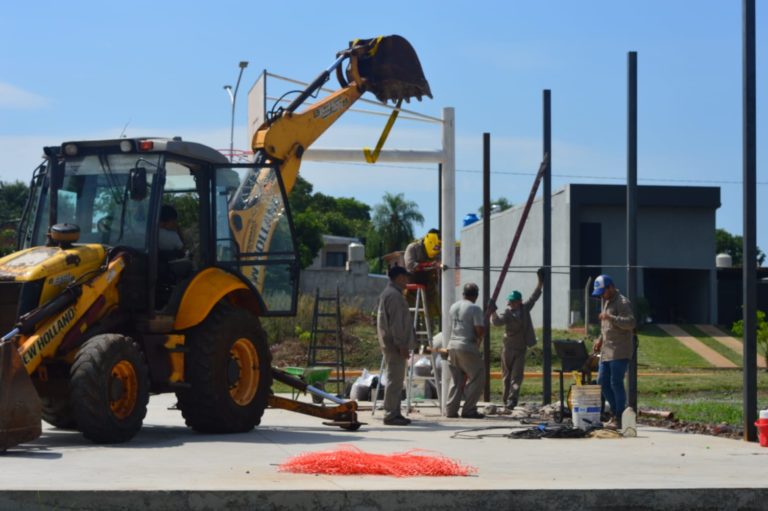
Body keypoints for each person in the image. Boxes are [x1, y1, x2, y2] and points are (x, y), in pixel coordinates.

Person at [489, 268, 544, 410]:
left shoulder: (525, 309)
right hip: (508, 349)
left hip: (520, 348)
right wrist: (493, 312)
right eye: (511, 303)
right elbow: (496, 322)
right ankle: (506, 399)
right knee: (506, 377)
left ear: (519, 302)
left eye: (514, 302)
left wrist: (540, 282)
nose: (512, 305)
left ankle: (512, 400)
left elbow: (535, 296)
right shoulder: (507, 313)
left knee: (517, 376)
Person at [591, 274, 636, 428]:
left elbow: (630, 323)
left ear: (610, 287)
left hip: (620, 350)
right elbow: (605, 327)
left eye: (603, 292)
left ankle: (619, 416)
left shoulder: (622, 302)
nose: (602, 296)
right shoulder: (607, 301)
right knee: (602, 381)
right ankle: (616, 413)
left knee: (616, 382)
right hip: (607, 350)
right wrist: (599, 339)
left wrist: (610, 317)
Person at [376, 265, 417, 426]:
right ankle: (391, 414)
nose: (407, 280)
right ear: (399, 278)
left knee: (396, 379)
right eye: (405, 277)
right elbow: (396, 324)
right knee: (395, 380)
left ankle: (395, 412)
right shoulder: (394, 296)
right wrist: (402, 345)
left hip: (390, 344)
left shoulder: (390, 293)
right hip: (394, 345)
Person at [445, 282, 486, 419]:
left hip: (452, 346)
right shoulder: (475, 308)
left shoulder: (453, 307)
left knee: (457, 380)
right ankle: (469, 410)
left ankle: (450, 410)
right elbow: (479, 330)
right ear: (476, 295)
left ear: (463, 294)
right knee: (478, 376)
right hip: (466, 347)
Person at [404, 228, 441, 325]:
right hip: (411, 289)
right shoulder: (413, 248)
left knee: (429, 322)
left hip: (429, 289)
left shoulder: (438, 249)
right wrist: (429, 265)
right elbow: (410, 265)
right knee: (410, 320)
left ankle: (427, 339)